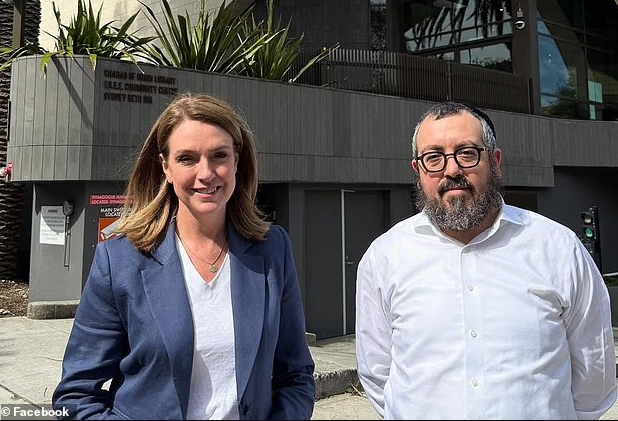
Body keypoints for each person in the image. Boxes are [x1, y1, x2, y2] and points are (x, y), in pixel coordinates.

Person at [52, 93, 316, 420]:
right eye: (187, 159)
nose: (206, 173)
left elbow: (296, 375)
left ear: (237, 160)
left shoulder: (273, 248)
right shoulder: (119, 260)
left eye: (219, 155)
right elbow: (75, 396)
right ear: (166, 167)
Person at [355, 101, 617, 420]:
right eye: (433, 157)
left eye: (467, 153)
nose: (451, 170)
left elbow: (594, 375)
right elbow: (377, 375)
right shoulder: (384, 257)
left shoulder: (559, 249)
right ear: (418, 170)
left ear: (495, 162)